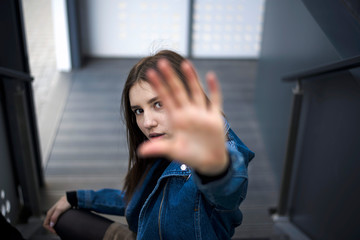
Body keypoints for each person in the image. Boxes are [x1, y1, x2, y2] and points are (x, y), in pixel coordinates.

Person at [43, 50, 254, 240]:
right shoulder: (162, 145)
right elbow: (142, 200)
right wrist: (78, 198)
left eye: (158, 104)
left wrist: (213, 167)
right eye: (138, 110)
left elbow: (227, 187)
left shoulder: (216, 153)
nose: (147, 122)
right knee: (65, 218)